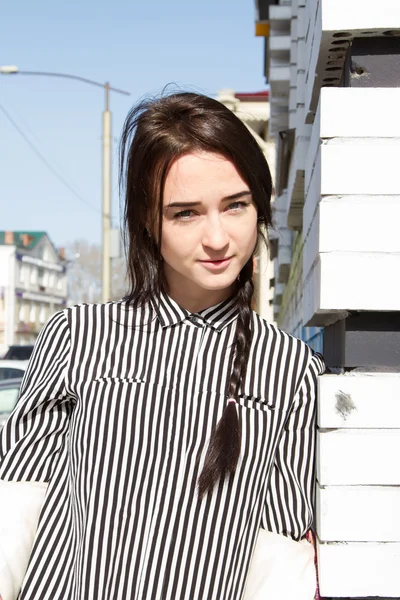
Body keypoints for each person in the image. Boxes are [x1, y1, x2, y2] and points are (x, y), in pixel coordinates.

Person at [0, 91, 324, 600]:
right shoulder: (78, 335)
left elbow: (278, 560)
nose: (217, 238)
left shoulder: (293, 368)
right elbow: (13, 520)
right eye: (185, 213)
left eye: (235, 205)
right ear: (149, 222)